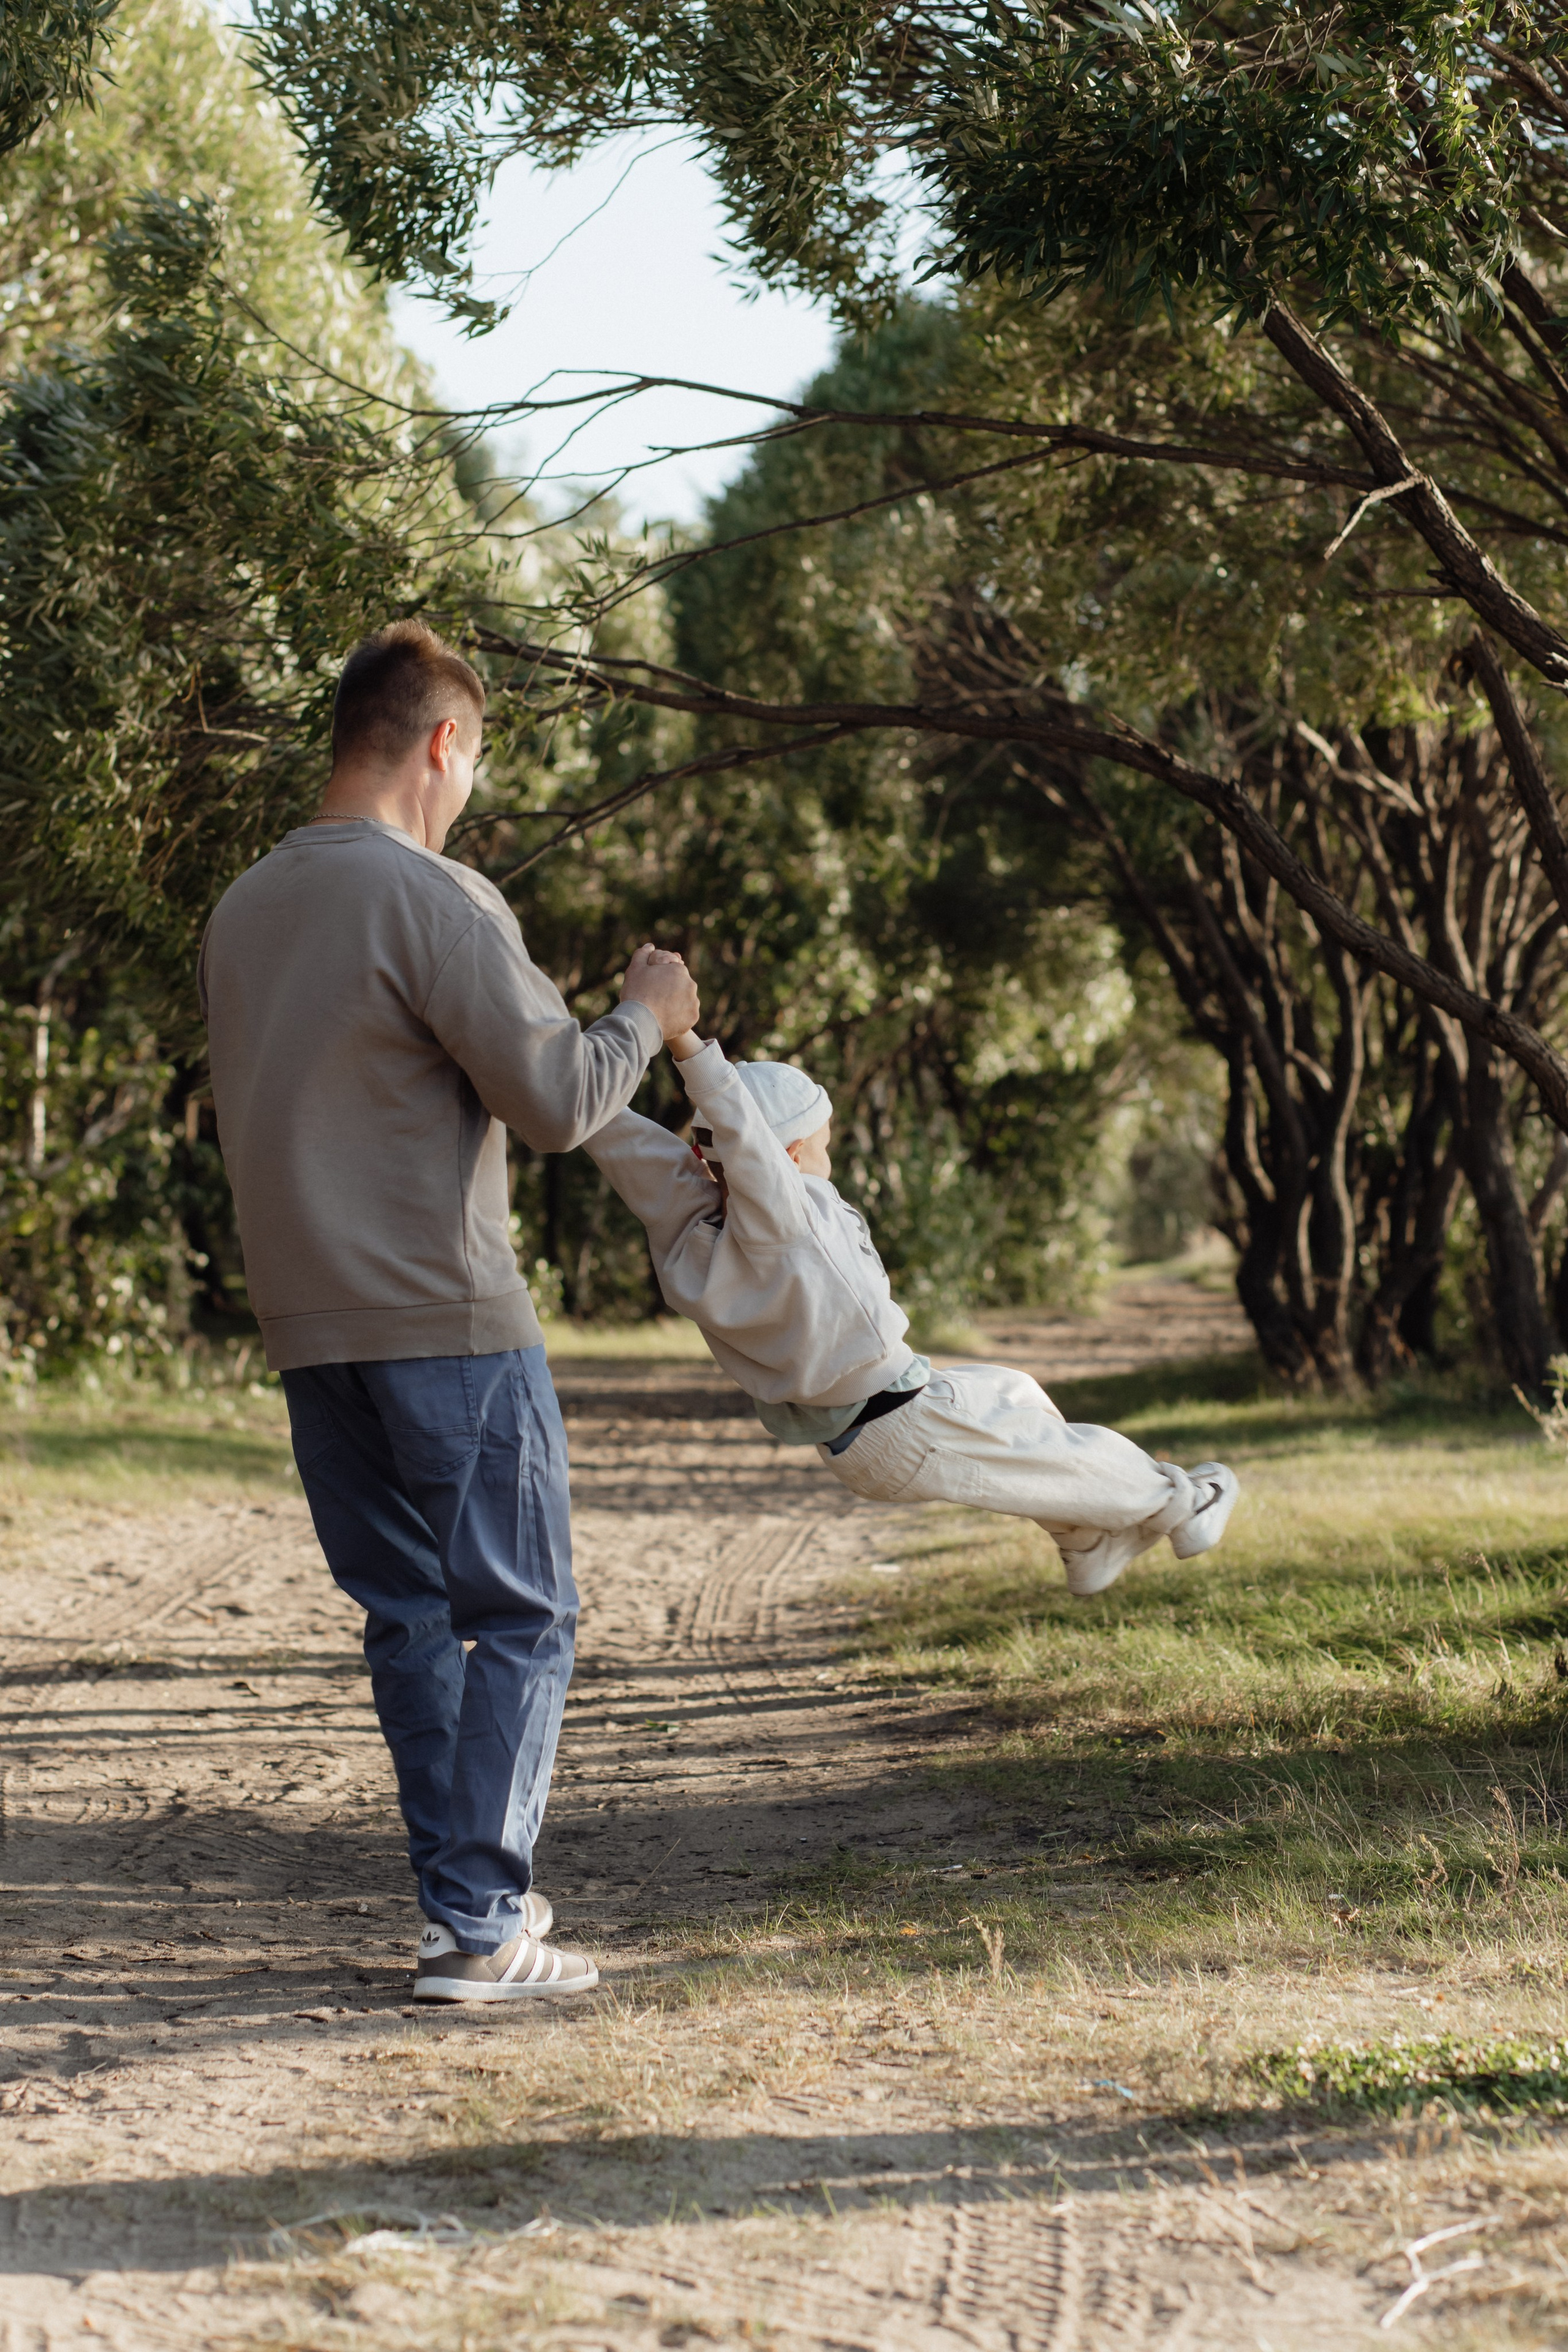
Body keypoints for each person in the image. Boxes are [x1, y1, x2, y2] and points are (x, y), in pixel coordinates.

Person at [198, 620, 698, 2004]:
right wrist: (644, 1011)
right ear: (443, 743)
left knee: (407, 1616)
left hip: (310, 1325)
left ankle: (462, 1914)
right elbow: (553, 1102)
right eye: (473, 761)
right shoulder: (435, 895)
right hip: (445, 1317)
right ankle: (479, 1927)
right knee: (524, 1613)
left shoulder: (243, 904)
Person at [586, 1031, 1238, 1591]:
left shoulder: (694, 1225)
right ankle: (1181, 1504)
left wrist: (556, 1066)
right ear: (783, 1160)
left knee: (1015, 1392)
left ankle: (1088, 1544)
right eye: (823, 1144)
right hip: (901, 1421)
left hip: (860, 1433)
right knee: (1058, 1451)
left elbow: (624, 1144)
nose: (829, 1157)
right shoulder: (784, 1220)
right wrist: (686, 1046)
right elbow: (743, 1136)